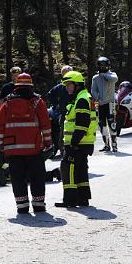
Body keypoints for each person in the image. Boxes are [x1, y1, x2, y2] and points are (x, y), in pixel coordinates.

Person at [0, 73, 52, 214]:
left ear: (16, 87)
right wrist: (48, 142)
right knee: (37, 177)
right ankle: (38, 205)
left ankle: (22, 206)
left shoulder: (6, 104)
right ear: (31, 86)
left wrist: (1, 145)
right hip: (34, 149)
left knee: (17, 178)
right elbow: (45, 125)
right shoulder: (37, 102)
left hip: (13, 150)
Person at [56, 71, 97, 208]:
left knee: (68, 168)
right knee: (80, 169)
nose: (67, 87)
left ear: (77, 85)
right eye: (66, 85)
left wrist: (73, 143)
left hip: (78, 142)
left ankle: (70, 200)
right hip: (84, 142)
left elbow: (82, 123)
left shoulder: (81, 99)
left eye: (69, 84)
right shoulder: (83, 97)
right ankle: (83, 198)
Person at [91, 57, 119, 152]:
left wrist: (104, 75)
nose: (102, 67)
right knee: (102, 124)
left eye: (104, 65)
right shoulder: (95, 78)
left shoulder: (112, 74)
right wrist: (97, 99)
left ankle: (114, 145)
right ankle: (106, 145)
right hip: (101, 104)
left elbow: (115, 79)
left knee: (112, 124)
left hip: (110, 103)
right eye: (101, 65)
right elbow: (93, 90)